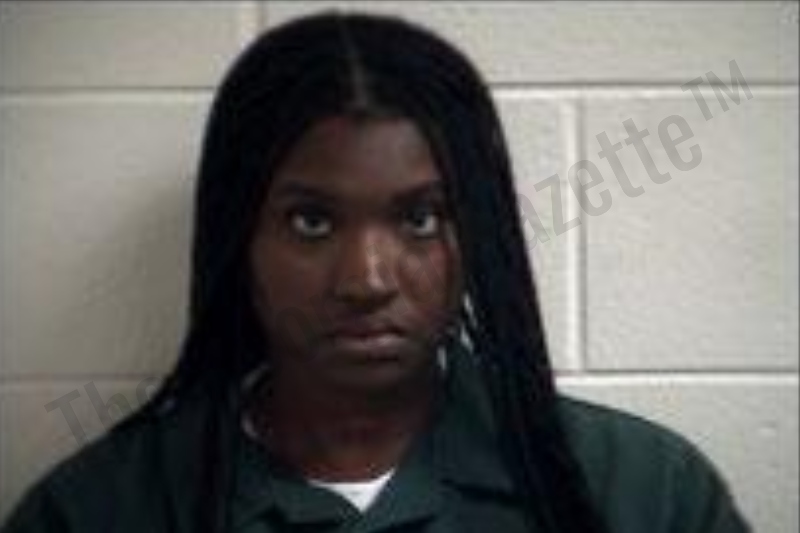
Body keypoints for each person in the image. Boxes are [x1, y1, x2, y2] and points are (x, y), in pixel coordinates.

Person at [2, 11, 750, 533]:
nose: (366, 279)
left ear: (479, 236)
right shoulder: (98, 511)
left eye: (421, 219)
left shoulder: (644, 492)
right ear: (239, 237)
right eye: (311, 221)